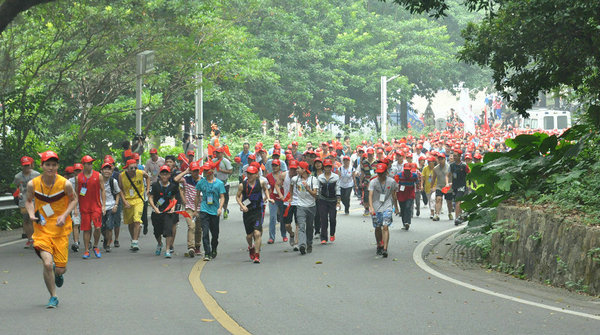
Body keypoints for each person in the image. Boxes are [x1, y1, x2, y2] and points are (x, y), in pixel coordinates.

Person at [25, 151, 78, 308]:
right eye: (47, 164)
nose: (51, 167)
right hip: (41, 229)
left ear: (57, 166)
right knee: (47, 263)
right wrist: (30, 213)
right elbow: (28, 201)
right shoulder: (33, 184)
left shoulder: (65, 184)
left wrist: (64, 215)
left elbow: (74, 199)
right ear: (42, 166)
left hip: (60, 229)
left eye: (54, 165)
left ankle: (58, 272)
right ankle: (53, 296)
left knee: (61, 269)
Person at [236, 165, 274, 263]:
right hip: (247, 211)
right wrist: (242, 205)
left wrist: (268, 198)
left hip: (258, 210)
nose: (250, 176)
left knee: (257, 233)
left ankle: (257, 255)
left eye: (252, 174)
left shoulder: (261, 183)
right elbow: (238, 196)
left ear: (256, 175)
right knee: (249, 236)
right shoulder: (242, 185)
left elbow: (266, 189)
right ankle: (251, 247)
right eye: (248, 173)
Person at [194, 162, 226, 261]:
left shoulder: (219, 183)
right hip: (204, 210)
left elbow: (222, 197)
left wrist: (220, 208)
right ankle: (207, 253)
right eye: (204, 170)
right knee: (205, 232)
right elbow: (197, 196)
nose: (206, 172)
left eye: (207, 170)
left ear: (212, 170)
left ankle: (214, 248)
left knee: (215, 233)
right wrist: (196, 210)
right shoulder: (201, 182)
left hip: (215, 211)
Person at [76, 155, 106, 259]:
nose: (90, 165)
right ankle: (86, 250)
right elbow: (76, 193)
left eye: (91, 163)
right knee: (86, 229)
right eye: (87, 163)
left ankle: (96, 246)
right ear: (83, 165)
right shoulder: (78, 178)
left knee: (97, 227)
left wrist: (104, 205)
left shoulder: (98, 175)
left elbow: (103, 190)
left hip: (96, 206)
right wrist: (75, 208)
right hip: (84, 207)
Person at [118, 159, 150, 251]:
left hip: (138, 199)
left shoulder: (141, 173)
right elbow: (120, 189)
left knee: (137, 220)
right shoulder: (122, 176)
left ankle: (135, 241)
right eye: (131, 168)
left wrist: (147, 190)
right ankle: (133, 239)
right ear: (127, 168)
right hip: (128, 200)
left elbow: (148, 177)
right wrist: (124, 201)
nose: (133, 169)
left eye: (135, 168)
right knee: (130, 223)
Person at [368, 163, 399, 258]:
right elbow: (370, 195)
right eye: (378, 173)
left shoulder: (392, 182)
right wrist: (371, 207)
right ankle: (379, 245)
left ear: (386, 172)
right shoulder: (373, 182)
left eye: (382, 173)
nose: (380, 175)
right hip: (376, 206)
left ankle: (385, 248)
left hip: (387, 206)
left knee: (385, 226)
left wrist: (396, 207)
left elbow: (394, 195)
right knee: (377, 227)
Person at [149, 165, 180, 258]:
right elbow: (150, 197)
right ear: (160, 175)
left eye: (166, 174)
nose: (164, 176)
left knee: (168, 230)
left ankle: (167, 250)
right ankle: (159, 243)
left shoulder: (173, 186)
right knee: (157, 231)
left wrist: (173, 208)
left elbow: (173, 198)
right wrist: (155, 208)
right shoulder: (155, 185)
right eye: (163, 174)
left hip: (168, 211)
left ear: (169, 175)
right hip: (157, 211)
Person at [174, 161, 203, 257]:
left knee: (199, 228)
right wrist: (185, 172)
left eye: (197, 171)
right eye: (194, 171)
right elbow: (176, 179)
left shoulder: (202, 180)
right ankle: (191, 247)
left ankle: (197, 246)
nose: (196, 173)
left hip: (199, 208)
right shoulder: (186, 179)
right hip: (189, 207)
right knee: (191, 226)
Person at [289, 161, 317, 255]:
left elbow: (315, 195)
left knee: (309, 227)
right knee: (301, 226)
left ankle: (309, 243)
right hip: (300, 206)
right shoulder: (295, 179)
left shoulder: (313, 180)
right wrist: (291, 197)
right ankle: (302, 245)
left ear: (304, 170)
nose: (296, 170)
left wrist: (308, 188)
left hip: (311, 206)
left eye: (298, 168)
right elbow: (291, 187)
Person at [14, 156, 40, 248]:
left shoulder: (36, 174)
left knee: (36, 220)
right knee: (26, 220)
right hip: (24, 201)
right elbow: (17, 187)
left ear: (31, 165)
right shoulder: (18, 176)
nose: (26, 167)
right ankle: (30, 239)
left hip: (36, 200)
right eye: (24, 165)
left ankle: (37, 238)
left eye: (28, 165)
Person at [317, 159, 341, 244]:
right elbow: (318, 189)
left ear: (331, 167)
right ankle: (323, 237)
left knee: (332, 218)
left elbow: (338, 188)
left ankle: (332, 233)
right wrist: (317, 198)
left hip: (333, 200)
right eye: (326, 166)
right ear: (324, 167)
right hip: (323, 200)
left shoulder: (335, 177)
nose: (328, 168)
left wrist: (338, 201)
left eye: (329, 166)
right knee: (323, 219)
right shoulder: (320, 177)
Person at [100, 162, 121, 253]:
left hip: (111, 206)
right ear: (101, 171)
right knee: (101, 227)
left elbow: (118, 194)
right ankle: (106, 238)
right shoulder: (97, 181)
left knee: (109, 226)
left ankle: (108, 245)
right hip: (100, 206)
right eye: (105, 169)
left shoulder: (113, 181)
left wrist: (116, 205)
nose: (107, 171)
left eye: (109, 169)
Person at [265, 159, 287, 244]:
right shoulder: (269, 176)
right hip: (273, 199)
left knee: (282, 218)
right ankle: (271, 237)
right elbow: (267, 188)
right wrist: (267, 197)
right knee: (273, 218)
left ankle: (284, 235)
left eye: (276, 165)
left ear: (279, 167)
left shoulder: (283, 175)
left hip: (282, 199)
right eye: (273, 165)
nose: (274, 167)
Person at [448, 149, 470, 225]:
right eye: (453, 156)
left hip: (462, 186)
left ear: (460, 156)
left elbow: (469, 174)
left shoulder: (464, 166)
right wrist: (448, 183)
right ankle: (460, 217)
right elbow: (448, 175)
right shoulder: (451, 165)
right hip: (454, 186)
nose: (454, 157)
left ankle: (457, 218)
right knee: (456, 202)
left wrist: (471, 184)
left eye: (455, 156)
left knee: (458, 201)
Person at [395, 163, 418, 230]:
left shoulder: (414, 175)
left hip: (410, 193)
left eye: (408, 170)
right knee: (403, 208)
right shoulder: (399, 175)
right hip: (401, 194)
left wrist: (419, 188)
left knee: (408, 207)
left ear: (410, 170)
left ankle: (408, 222)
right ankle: (404, 223)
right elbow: (395, 183)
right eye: (405, 170)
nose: (406, 172)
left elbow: (417, 182)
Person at [431, 153, 453, 222]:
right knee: (438, 199)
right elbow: (433, 178)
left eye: (441, 159)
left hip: (448, 186)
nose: (440, 160)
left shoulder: (449, 167)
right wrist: (432, 187)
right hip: (439, 186)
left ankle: (449, 213)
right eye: (439, 159)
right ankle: (437, 214)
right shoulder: (435, 168)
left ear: (445, 159)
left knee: (449, 201)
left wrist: (451, 184)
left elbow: (451, 177)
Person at [212, 147, 233, 219]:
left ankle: (225, 210)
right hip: (215, 183)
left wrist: (221, 170)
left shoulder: (226, 161)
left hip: (224, 183)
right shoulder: (213, 160)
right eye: (216, 152)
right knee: (215, 197)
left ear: (222, 153)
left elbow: (230, 171)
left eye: (218, 153)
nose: (217, 154)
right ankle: (216, 211)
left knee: (225, 198)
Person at [69, 163, 83, 251]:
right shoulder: (70, 182)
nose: (78, 172)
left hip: (84, 204)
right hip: (74, 204)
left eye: (79, 170)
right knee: (75, 223)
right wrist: (74, 208)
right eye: (76, 171)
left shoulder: (86, 180)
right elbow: (70, 196)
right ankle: (76, 242)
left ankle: (84, 241)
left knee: (82, 225)